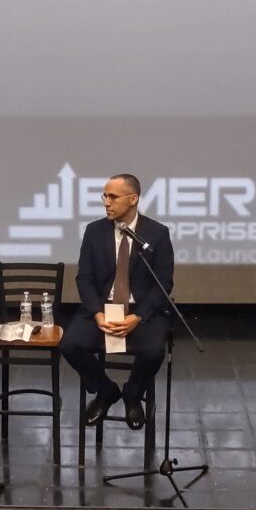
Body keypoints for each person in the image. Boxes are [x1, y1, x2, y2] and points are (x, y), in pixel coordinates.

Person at [60, 173, 175, 429]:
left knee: (153, 351)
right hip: (103, 307)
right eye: (105, 196)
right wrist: (98, 314)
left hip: (140, 311)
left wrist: (138, 317)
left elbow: (163, 284)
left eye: (113, 196)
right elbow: (85, 278)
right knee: (70, 344)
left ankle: (133, 394)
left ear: (133, 199)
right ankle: (105, 390)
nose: (106, 202)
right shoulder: (94, 231)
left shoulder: (156, 234)